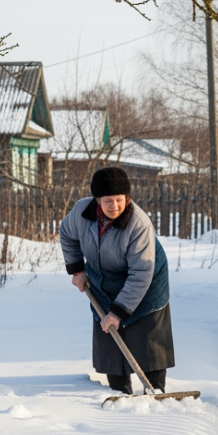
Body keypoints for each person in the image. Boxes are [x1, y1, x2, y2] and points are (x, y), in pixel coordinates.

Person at [60, 167, 175, 395]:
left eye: (120, 200)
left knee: (147, 332)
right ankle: (120, 390)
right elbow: (67, 234)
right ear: (97, 200)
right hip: (102, 278)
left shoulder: (138, 224)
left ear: (128, 198)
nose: (115, 206)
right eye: (108, 200)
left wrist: (119, 311)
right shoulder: (81, 213)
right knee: (108, 329)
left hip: (146, 279)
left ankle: (156, 390)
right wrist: (77, 270)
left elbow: (141, 273)